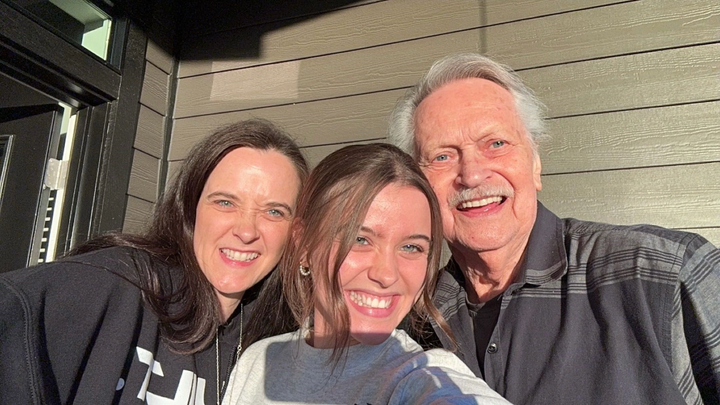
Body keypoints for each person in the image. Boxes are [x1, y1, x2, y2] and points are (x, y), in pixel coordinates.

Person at [388, 53, 720, 404]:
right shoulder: (412, 321)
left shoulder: (667, 274)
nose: (471, 175)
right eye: (442, 156)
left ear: (535, 164)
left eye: (496, 144)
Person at [0, 119, 309, 404]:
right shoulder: (117, 286)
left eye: (274, 212)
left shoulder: (279, 344)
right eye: (225, 202)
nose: (246, 231)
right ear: (191, 209)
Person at [222, 144, 510, 405]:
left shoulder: (420, 375)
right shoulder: (258, 363)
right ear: (304, 246)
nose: (386, 274)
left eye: (411, 247)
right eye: (360, 240)